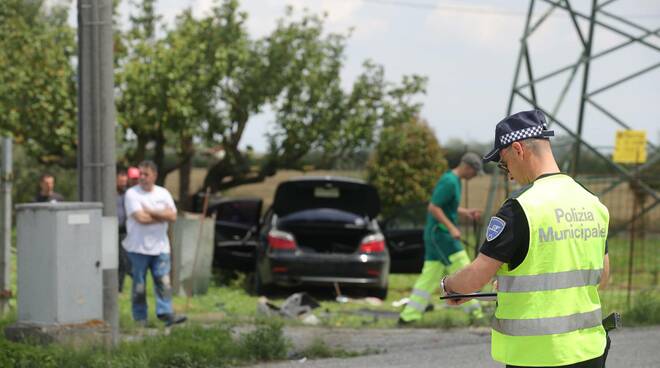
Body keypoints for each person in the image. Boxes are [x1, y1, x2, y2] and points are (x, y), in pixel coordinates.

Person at [441, 110, 611, 368]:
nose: (508, 174)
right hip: (588, 351)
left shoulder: (520, 208)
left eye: (504, 162)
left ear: (518, 149)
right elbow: (603, 277)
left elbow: (475, 277)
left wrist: (450, 285)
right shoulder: (592, 202)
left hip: (536, 355)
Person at [398, 152, 484, 324]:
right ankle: (477, 315)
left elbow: (447, 206)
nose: (474, 176)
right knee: (465, 268)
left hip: (437, 235)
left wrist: (464, 212)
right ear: (467, 167)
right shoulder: (449, 181)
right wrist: (452, 228)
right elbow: (434, 207)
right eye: (475, 172)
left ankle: (408, 316)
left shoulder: (455, 181)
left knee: (429, 277)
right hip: (441, 235)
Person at [123, 160, 186, 327]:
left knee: (163, 282)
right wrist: (161, 216)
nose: (142, 178)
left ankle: (165, 313)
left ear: (155, 175)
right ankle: (140, 318)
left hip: (160, 248)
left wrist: (150, 211)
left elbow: (172, 216)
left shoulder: (163, 193)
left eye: (146, 174)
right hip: (137, 248)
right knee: (139, 286)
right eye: (140, 174)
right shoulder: (132, 194)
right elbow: (140, 218)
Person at [116, 169, 131, 292]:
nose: (123, 183)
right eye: (121, 181)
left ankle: (119, 288)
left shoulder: (129, 194)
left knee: (123, 260)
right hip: (111, 231)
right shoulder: (109, 193)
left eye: (125, 181)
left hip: (124, 231)